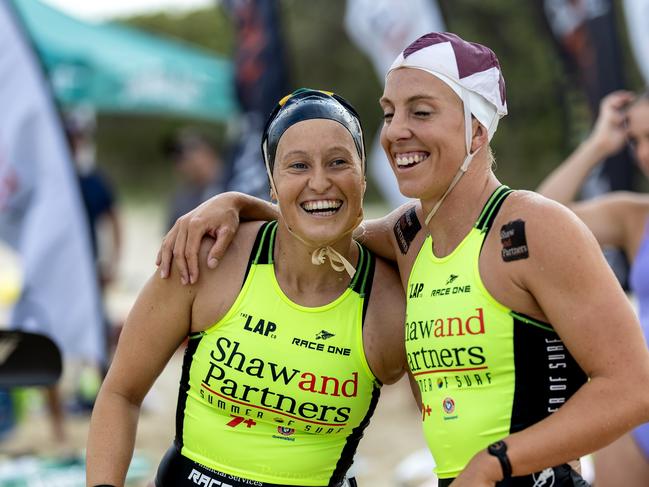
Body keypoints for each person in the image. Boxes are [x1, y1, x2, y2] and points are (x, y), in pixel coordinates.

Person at [156, 32, 649, 486]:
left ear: (477, 131)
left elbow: (633, 387)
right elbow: (321, 225)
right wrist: (235, 204)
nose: (395, 132)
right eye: (389, 112)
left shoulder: (533, 227)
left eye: (421, 111)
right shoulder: (407, 236)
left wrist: (495, 461)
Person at [86, 89, 407, 487]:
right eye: (298, 165)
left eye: (339, 162)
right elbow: (121, 393)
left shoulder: (391, 303)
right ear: (272, 182)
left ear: (363, 176)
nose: (319, 181)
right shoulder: (207, 259)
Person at [537, 89, 649, 486]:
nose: (644, 153)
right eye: (638, 140)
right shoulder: (633, 218)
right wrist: (597, 145)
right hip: (638, 412)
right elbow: (535, 222)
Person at [164, 129, 227, 231]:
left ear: (207, 152)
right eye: (176, 160)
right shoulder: (181, 198)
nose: (179, 166)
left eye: (183, 157)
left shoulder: (237, 184)